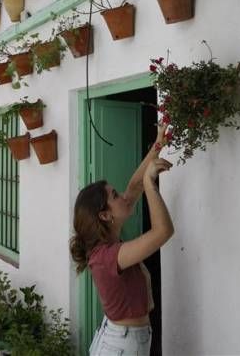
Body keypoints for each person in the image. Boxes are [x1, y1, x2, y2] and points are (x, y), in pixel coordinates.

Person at [70, 126, 174, 355]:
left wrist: (158, 144)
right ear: (105, 216)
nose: (122, 196)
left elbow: (133, 187)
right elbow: (162, 231)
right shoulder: (107, 256)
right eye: (115, 196)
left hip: (122, 340)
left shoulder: (106, 245)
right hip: (122, 346)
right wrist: (151, 184)